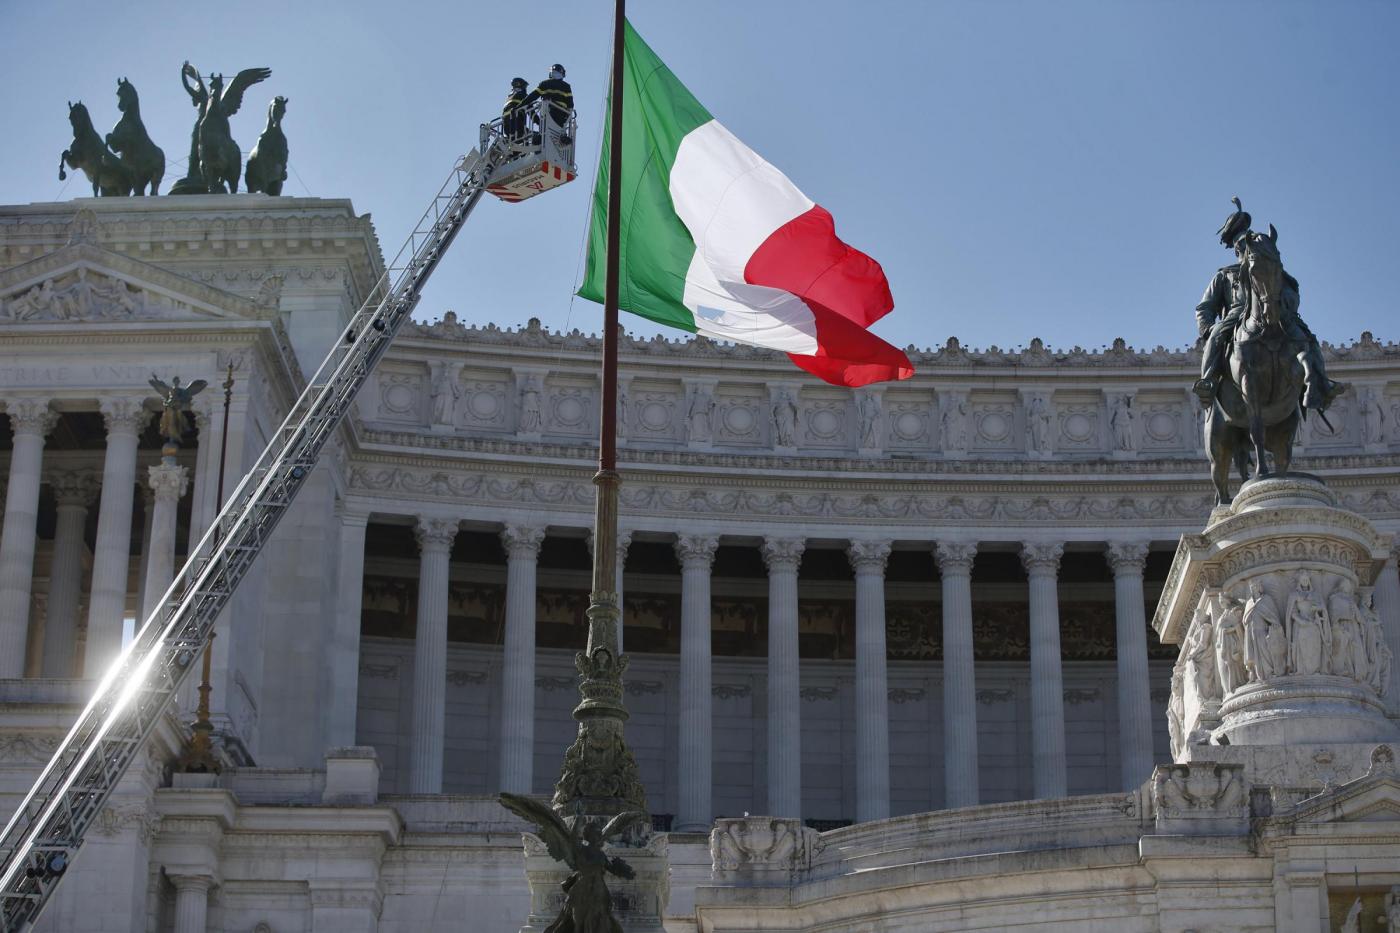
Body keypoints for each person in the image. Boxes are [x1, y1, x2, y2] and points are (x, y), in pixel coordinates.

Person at [1193, 198, 1340, 411]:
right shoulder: (1224, 276)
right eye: (1242, 245)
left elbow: (1291, 290)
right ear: (1237, 250)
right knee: (1217, 334)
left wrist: (1286, 304)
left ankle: (1320, 382)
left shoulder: (1271, 269)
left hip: (1275, 311)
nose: (1247, 249)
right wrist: (1208, 328)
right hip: (1236, 315)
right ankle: (1208, 381)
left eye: (1250, 244)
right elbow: (1204, 308)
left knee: (1307, 338)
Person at [524, 64, 574, 132]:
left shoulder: (565, 86)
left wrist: (567, 118)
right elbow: (532, 96)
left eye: (556, 72)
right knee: (548, 131)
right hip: (552, 112)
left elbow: (570, 104)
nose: (554, 74)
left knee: (548, 131)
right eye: (553, 72)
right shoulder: (546, 84)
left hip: (557, 113)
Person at [502, 77, 529, 142]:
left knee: (513, 141)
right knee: (530, 138)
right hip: (516, 122)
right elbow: (531, 109)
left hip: (506, 124)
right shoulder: (522, 94)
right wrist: (538, 122)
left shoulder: (509, 96)